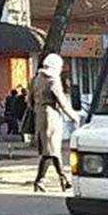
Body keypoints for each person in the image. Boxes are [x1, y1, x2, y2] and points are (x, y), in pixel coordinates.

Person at [30, 54, 82, 191]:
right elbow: (61, 100)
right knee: (53, 150)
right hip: (51, 116)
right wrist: (73, 116)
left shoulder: (36, 79)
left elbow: (29, 100)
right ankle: (62, 179)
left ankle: (45, 181)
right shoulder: (53, 79)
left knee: (48, 150)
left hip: (40, 115)